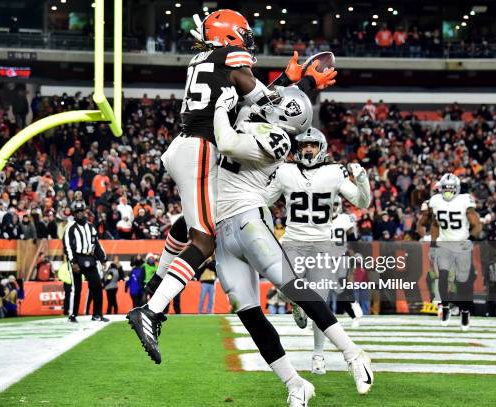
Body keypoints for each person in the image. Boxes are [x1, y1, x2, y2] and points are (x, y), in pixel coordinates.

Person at [128, 8, 337, 348]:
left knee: (190, 222)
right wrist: (303, 84)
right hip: (200, 149)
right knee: (205, 240)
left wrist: (288, 81)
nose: (247, 42)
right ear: (229, 36)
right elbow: (266, 105)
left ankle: (155, 288)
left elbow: (251, 101)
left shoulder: (206, 60)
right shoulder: (230, 57)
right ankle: (151, 310)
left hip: (187, 147)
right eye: (242, 33)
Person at [209, 86, 372, 402]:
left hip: (248, 218)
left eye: (277, 101)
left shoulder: (279, 139)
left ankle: (353, 354)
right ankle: (296, 385)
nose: (269, 100)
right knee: (249, 314)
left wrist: (219, 107)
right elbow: (251, 96)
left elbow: (227, 142)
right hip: (224, 226)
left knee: (293, 286)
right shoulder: (255, 124)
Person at [265, 128, 371, 376]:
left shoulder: (334, 172)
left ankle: (318, 355)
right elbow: (263, 199)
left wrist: (363, 180)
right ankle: (297, 305)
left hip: (322, 245)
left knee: (320, 303)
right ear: (298, 150)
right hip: (293, 241)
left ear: (321, 148)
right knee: (285, 287)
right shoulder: (285, 171)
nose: (308, 149)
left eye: (312, 145)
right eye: (304, 146)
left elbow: (362, 202)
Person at [428, 173, 481, 330]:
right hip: (444, 244)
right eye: (445, 189)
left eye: (451, 189)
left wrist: (470, 238)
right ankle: (445, 308)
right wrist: (432, 244)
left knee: (463, 282)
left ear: (457, 189)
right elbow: (435, 225)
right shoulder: (436, 201)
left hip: (461, 245)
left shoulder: (464, 200)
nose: (448, 192)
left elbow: (477, 224)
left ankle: (465, 311)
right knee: (442, 276)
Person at [63, 200, 108, 322]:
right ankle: (73, 315)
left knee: (97, 286)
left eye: (81, 211)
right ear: (73, 214)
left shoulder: (91, 226)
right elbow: (67, 246)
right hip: (77, 258)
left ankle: (97, 314)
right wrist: (73, 262)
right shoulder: (70, 228)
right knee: (76, 288)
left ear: (85, 212)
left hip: (90, 257)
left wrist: (103, 260)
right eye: (77, 212)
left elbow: (96, 244)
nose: (79, 214)